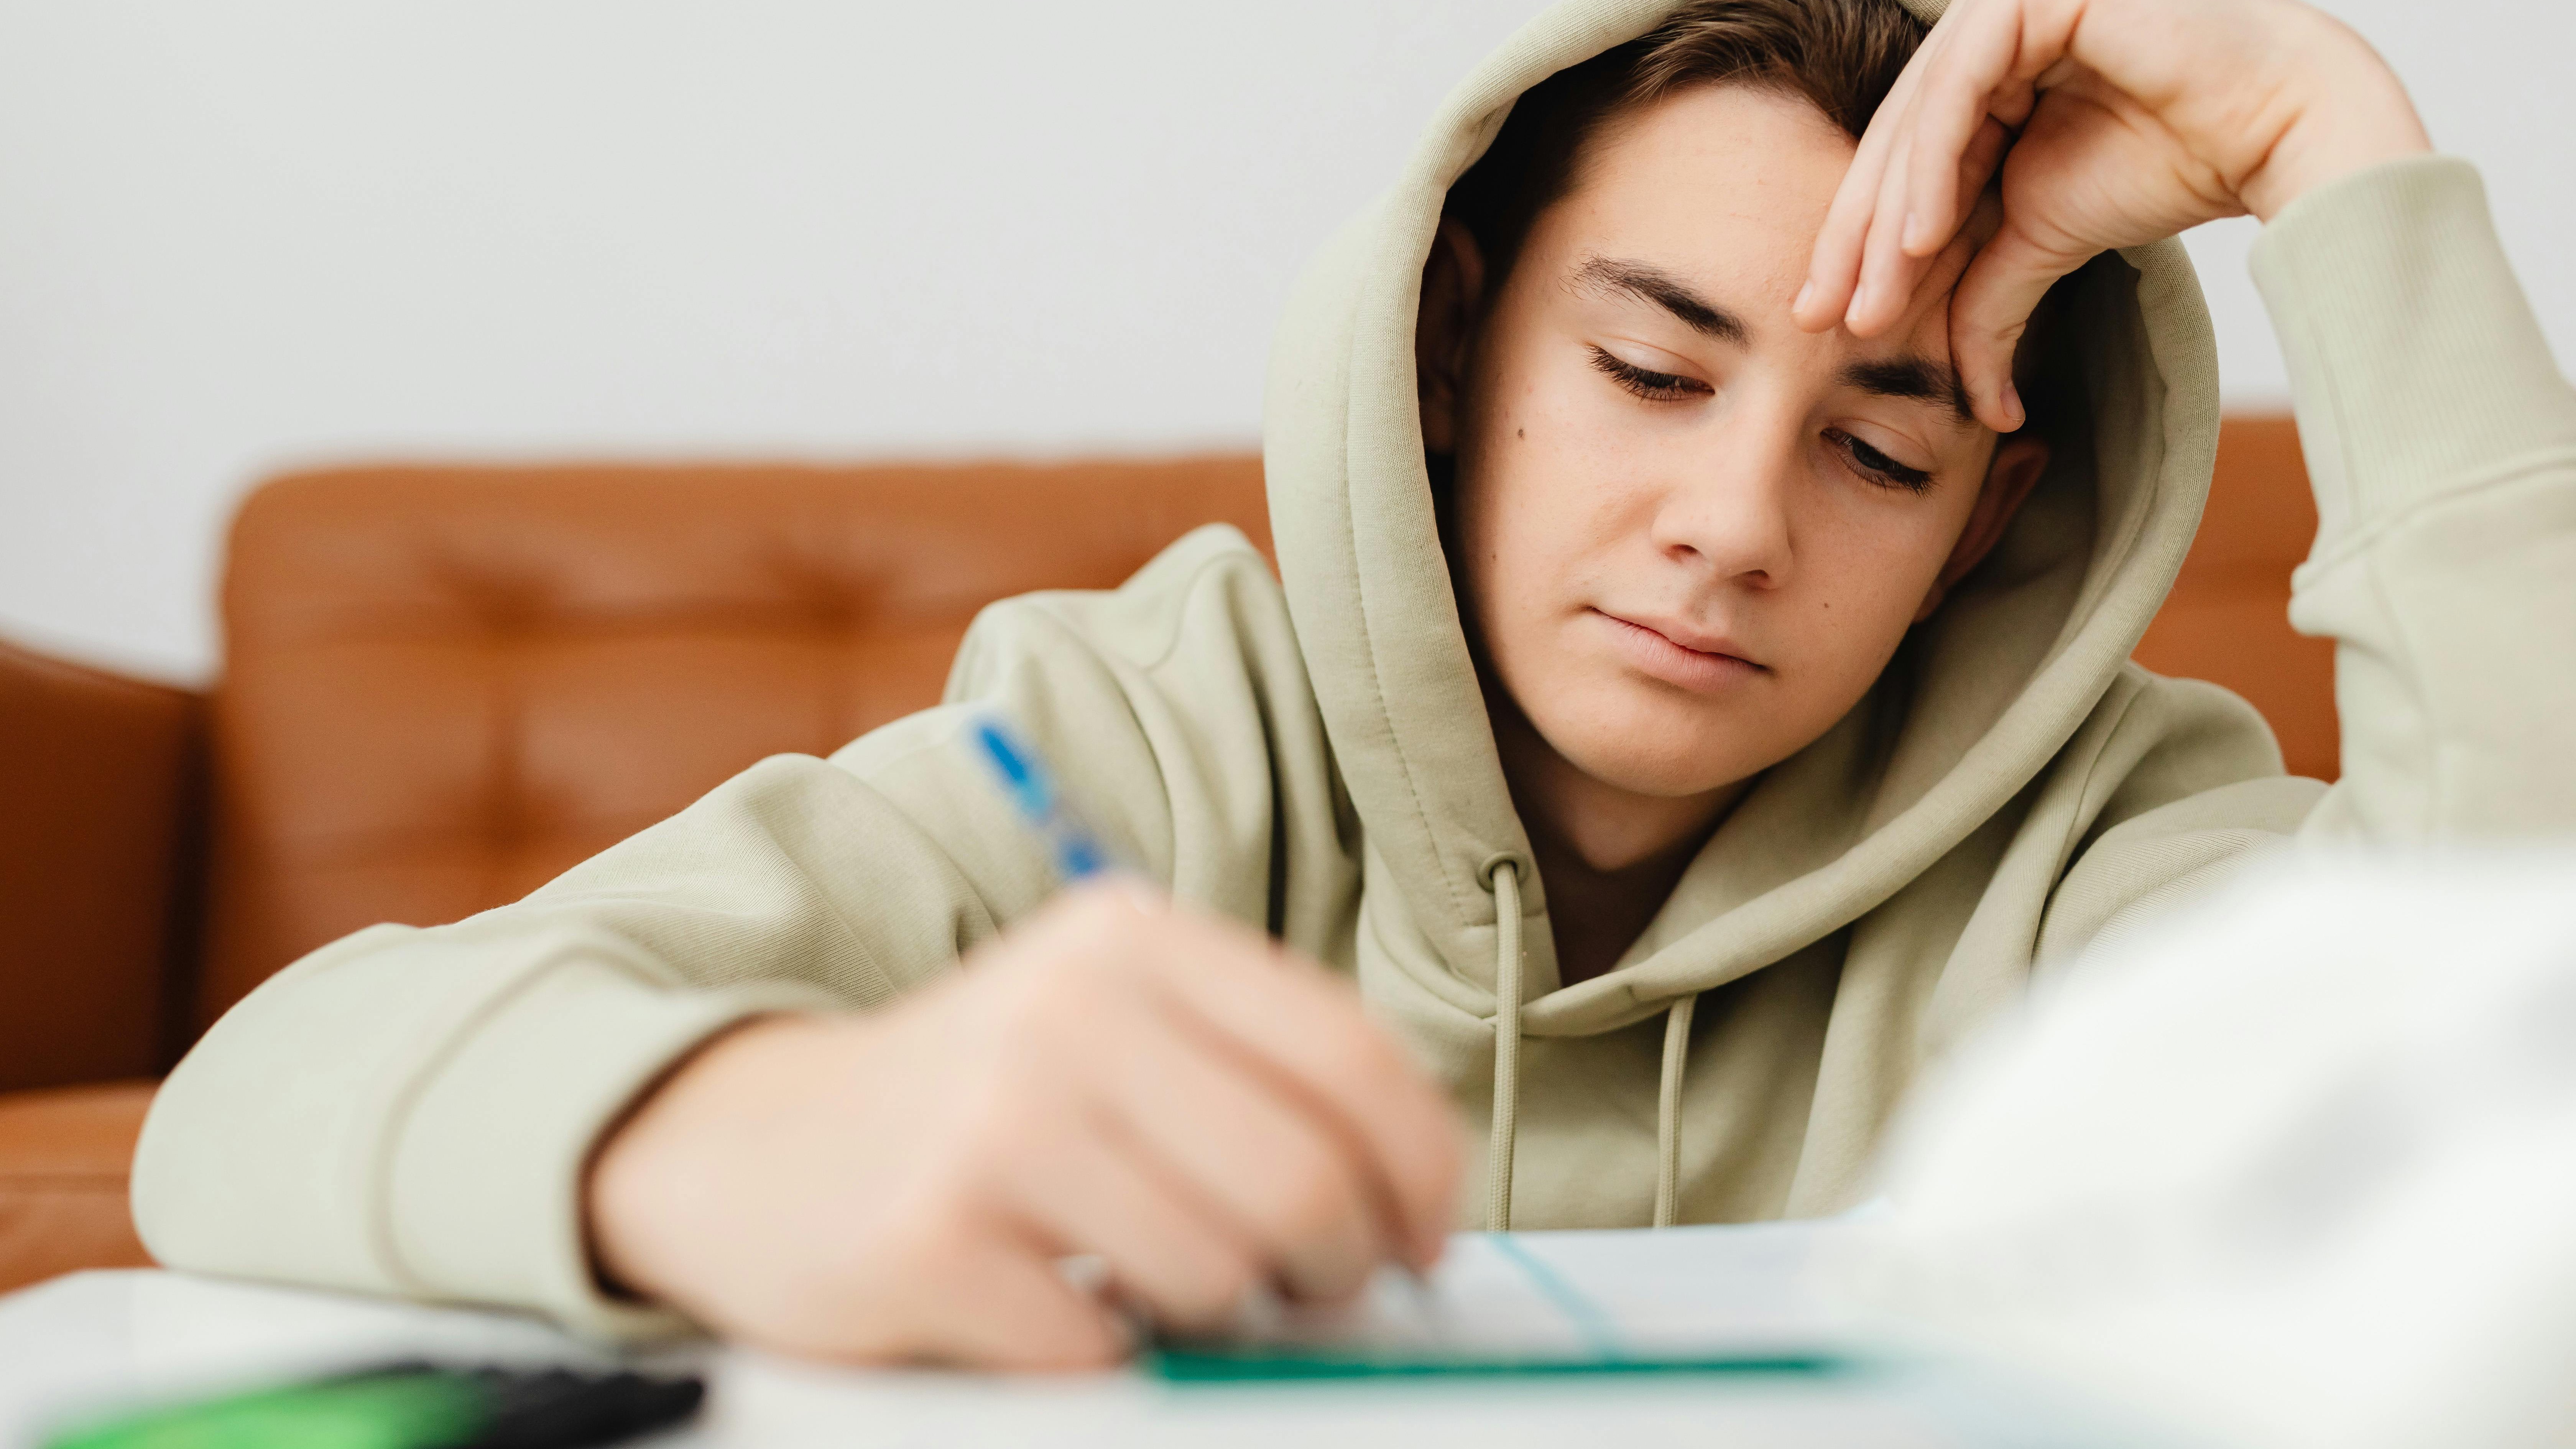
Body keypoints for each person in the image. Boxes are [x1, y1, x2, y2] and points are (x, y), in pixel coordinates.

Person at [131, 0, 2576, 1370]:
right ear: (1450, 349)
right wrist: (722, 1131)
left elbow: (2518, 1057)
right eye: (1649, 366)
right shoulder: (1138, 719)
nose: (1738, 521)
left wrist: (2338, 153)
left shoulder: (2112, 837)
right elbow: (264, 1091)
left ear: (1985, 530)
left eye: (1877, 440)